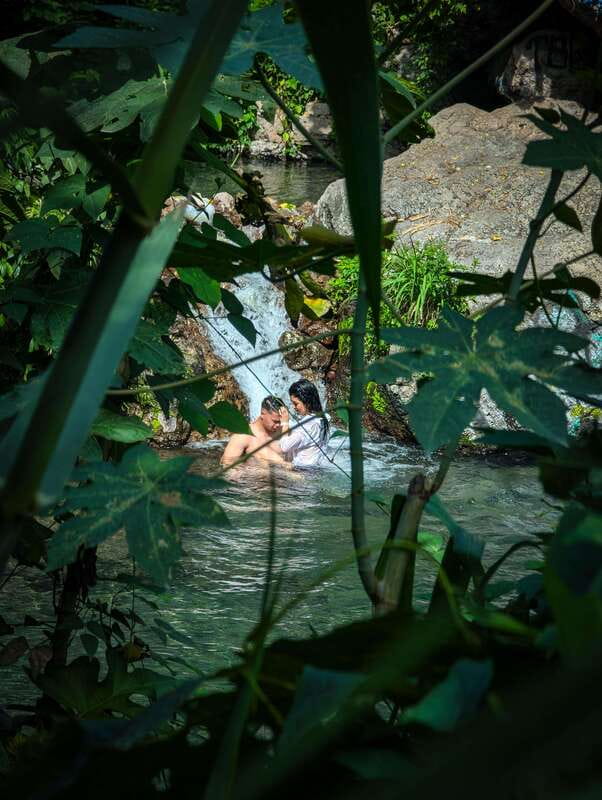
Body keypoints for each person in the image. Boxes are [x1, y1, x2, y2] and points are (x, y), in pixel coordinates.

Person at [279, 379, 331, 469]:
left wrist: (284, 422)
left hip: (303, 472)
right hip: (317, 469)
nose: (294, 407)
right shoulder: (325, 418)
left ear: (307, 402)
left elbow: (284, 447)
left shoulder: (307, 426)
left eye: (296, 404)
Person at [221, 396, 286, 467]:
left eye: (280, 421)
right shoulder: (243, 435)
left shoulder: (282, 430)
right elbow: (227, 464)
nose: (278, 425)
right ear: (263, 413)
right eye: (275, 421)